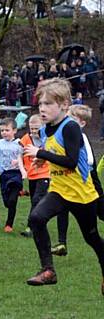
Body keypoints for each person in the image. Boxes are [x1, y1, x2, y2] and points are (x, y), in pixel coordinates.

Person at [22, 78, 104, 295]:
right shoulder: (47, 128)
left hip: (81, 193)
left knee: (92, 238)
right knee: (36, 218)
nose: (42, 108)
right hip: (59, 190)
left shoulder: (71, 127)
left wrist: (40, 153)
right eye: (40, 104)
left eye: (48, 104)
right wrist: (43, 159)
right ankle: (48, 271)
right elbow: (56, 154)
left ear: (64, 105)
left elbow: (70, 160)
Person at [51, 104, 102, 256]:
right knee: (62, 208)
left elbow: (90, 161)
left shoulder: (82, 137)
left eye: (72, 118)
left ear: (82, 123)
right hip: (69, 180)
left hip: (87, 179)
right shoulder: (63, 135)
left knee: (99, 212)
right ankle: (62, 243)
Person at [0, 118, 27, 233]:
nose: (4, 133)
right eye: (2, 130)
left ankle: (9, 224)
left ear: (14, 131)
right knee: (7, 203)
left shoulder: (20, 144)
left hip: (16, 174)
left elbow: (26, 158)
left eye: (7, 130)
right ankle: (20, 192)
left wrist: (19, 162)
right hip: (3, 175)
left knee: (12, 201)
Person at [19, 114, 49, 238]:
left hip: (45, 174)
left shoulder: (47, 138)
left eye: (37, 128)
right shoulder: (25, 139)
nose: (34, 131)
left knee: (37, 199)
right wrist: (22, 169)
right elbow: (20, 155)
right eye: (31, 128)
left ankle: (30, 227)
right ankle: (39, 224)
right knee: (34, 201)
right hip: (32, 175)